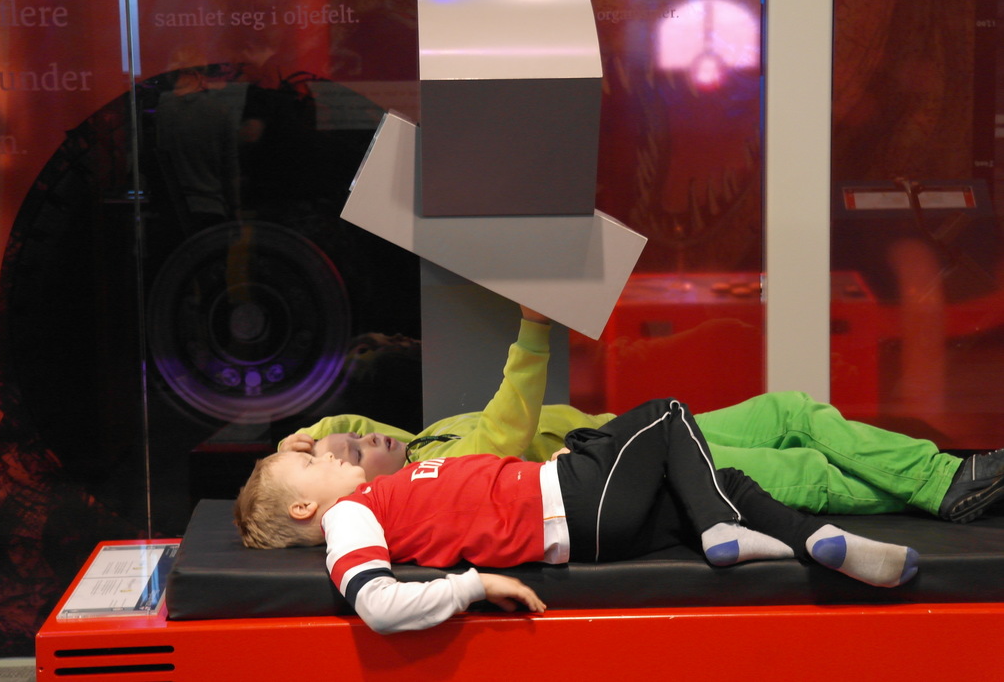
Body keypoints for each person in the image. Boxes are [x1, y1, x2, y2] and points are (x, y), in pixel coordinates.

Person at [235, 397, 919, 634]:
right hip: (571, 505)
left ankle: (819, 541)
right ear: (305, 505)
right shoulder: (352, 519)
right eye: (312, 462)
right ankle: (721, 530)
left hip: (579, 514)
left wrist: (296, 444)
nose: (327, 452)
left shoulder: (383, 486)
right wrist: (474, 585)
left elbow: (349, 433)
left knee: (723, 479)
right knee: (667, 415)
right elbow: (377, 605)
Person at [279, 307, 1004, 523]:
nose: (357, 437)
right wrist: (534, 328)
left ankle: (942, 479)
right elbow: (506, 426)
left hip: (632, 432)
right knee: (802, 473)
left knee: (789, 411)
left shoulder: (414, 447)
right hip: (635, 467)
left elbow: (357, 427)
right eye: (348, 454)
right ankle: (942, 490)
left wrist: (309, 435)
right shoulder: (436, 474)